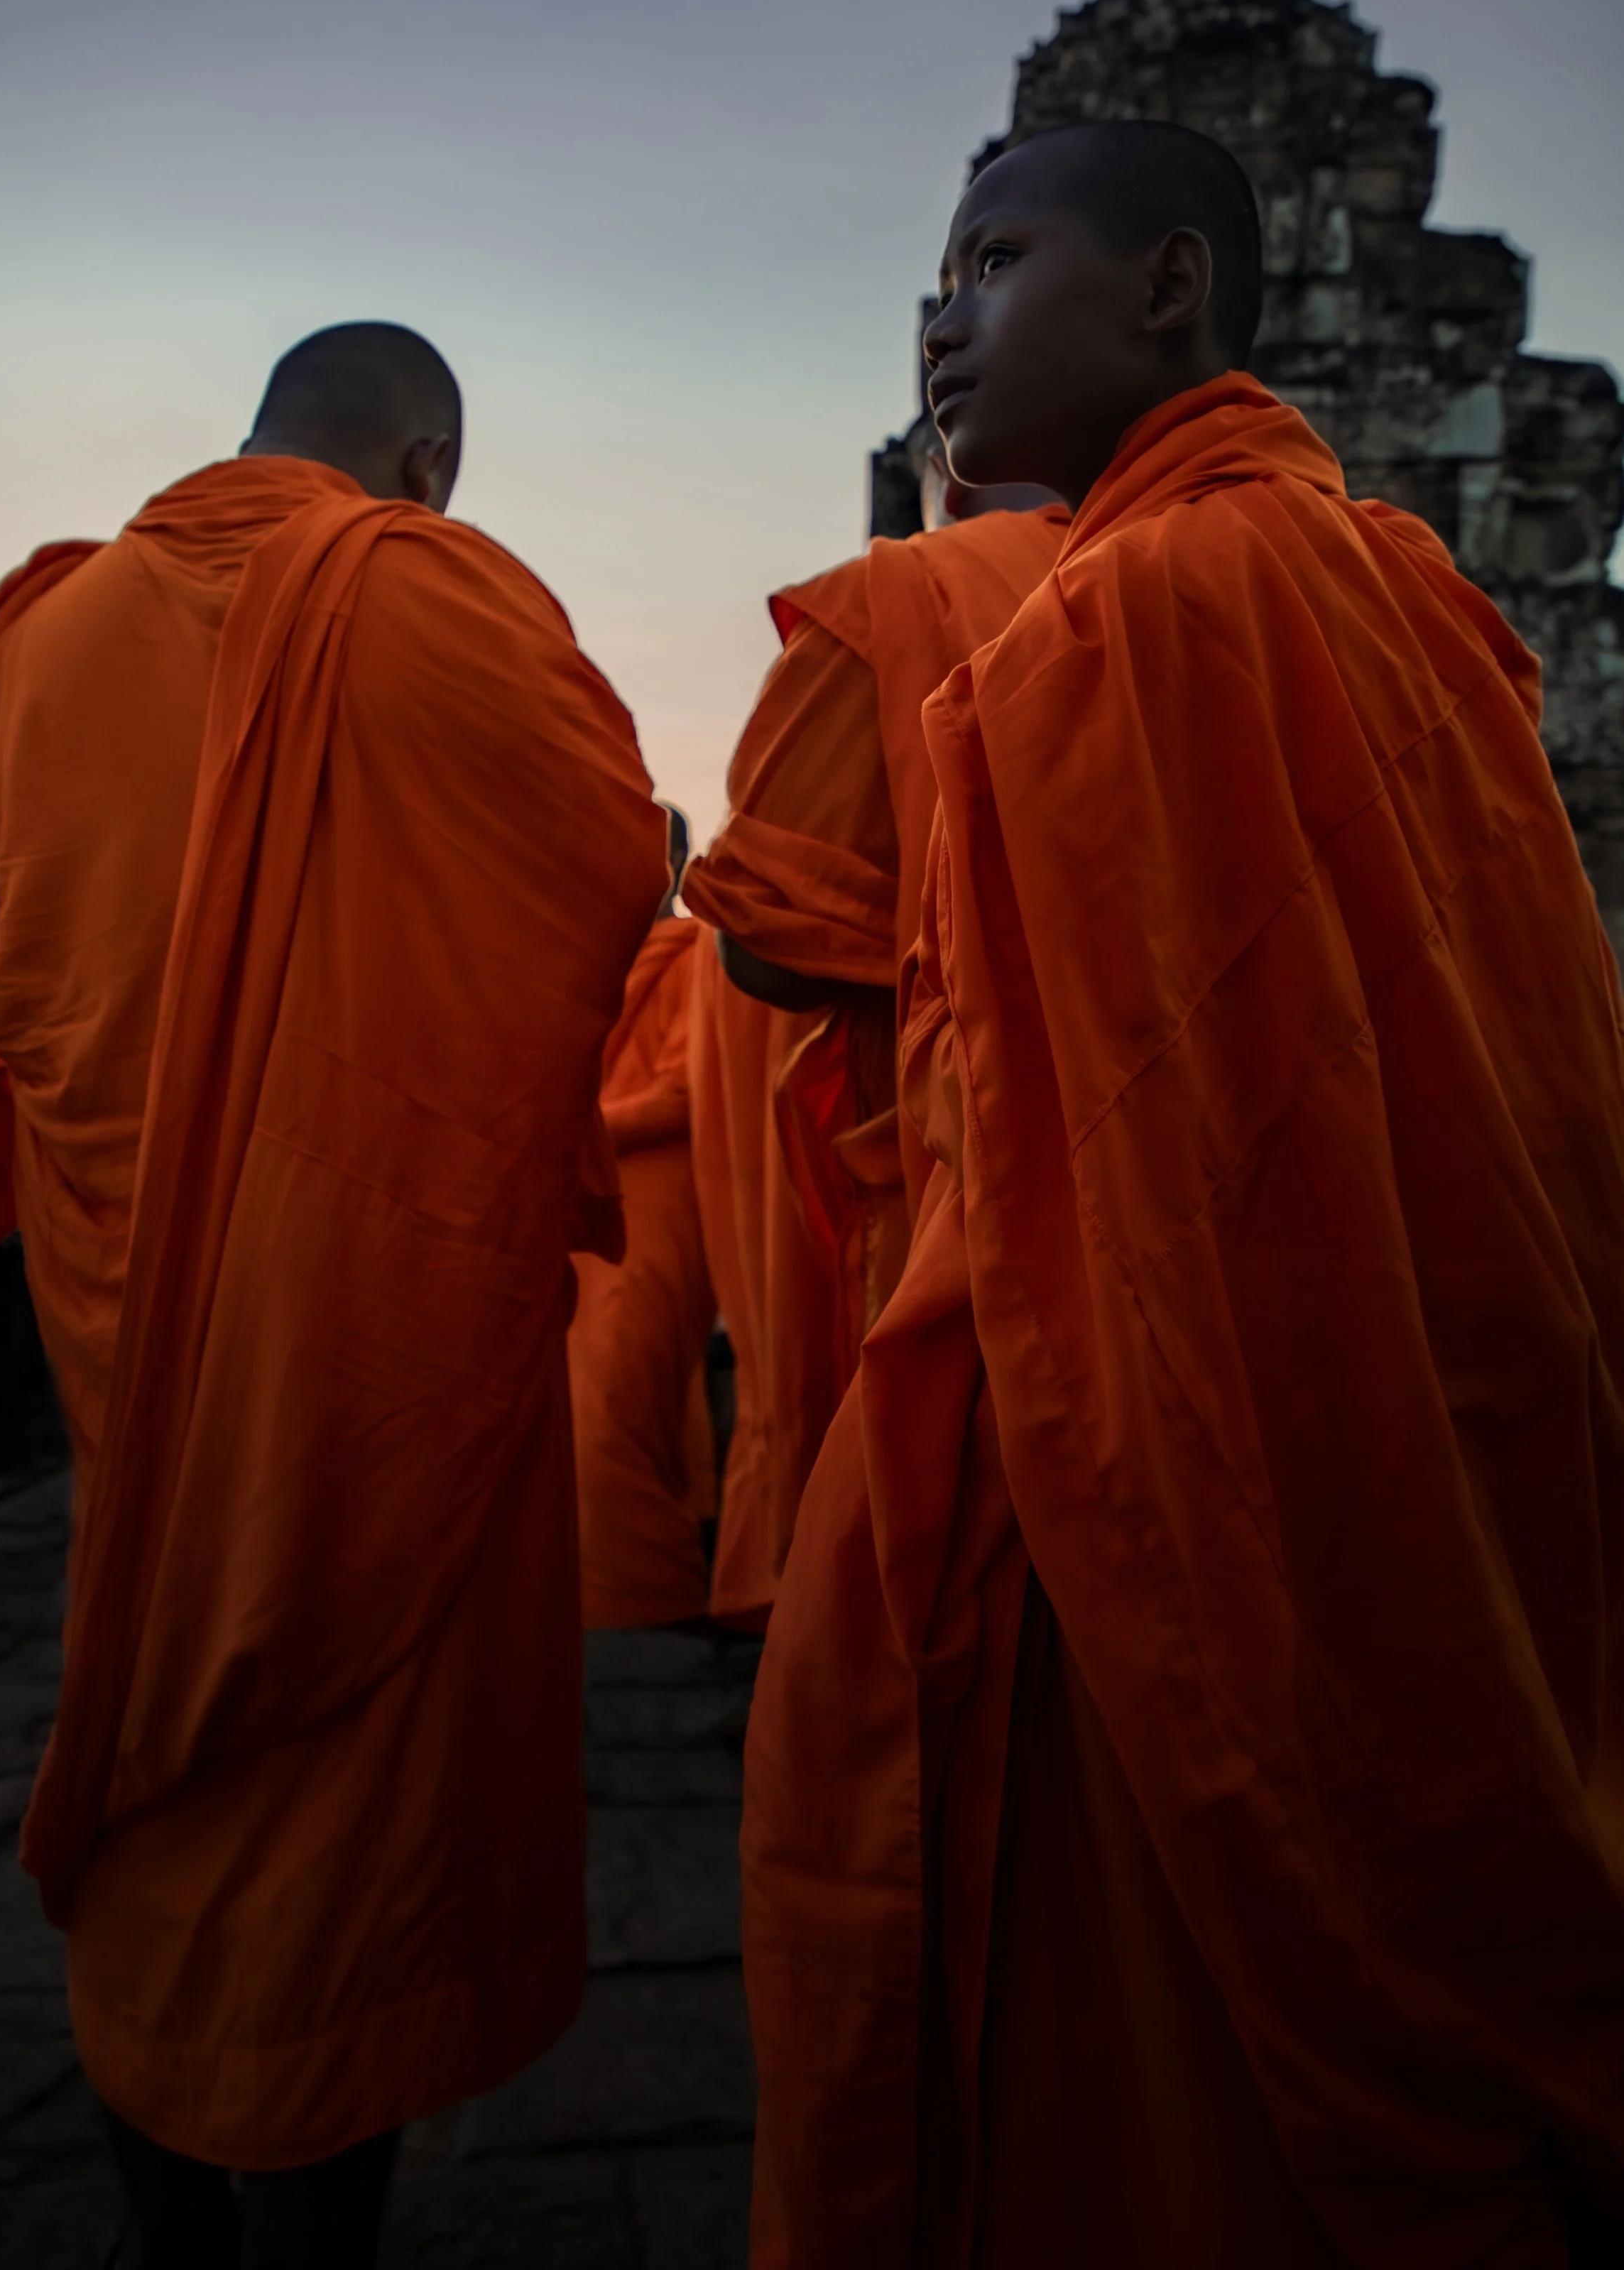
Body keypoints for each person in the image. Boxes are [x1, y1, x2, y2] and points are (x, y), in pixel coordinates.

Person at [741, 125, 1624, 2266]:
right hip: (1449, 1424)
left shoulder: (1122, 618)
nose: (938, 315)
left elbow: (1088, 1185)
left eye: (991, 256)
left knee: (1135, 2088)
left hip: (1151, 1485)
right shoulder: (1403, 587)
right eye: (931, 273)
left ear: (1164, 286)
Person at [0, 322, 666, 2267]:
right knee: (344, 1815)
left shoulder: (29, 637)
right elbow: (596, 859)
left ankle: (168, 2226)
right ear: (421, 459)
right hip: (358, 1323)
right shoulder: (423, 590)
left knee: (155, 1753)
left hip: (122, 1320)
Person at [682, 466, 1068, 1622]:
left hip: (975, 1186)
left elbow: (765, 945)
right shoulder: (1333, 582)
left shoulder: (908, 602)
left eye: (993, 272)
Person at [568, 804, 719, 1627]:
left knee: (619, 1401)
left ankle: (644, 1606)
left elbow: (689, 1087)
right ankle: (598, 1597)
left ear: (673, 868)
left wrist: (576, 1128)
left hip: (658, 1199)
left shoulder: (699, 955)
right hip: (582, 1202)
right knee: (592, 1402)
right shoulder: (580, 962)